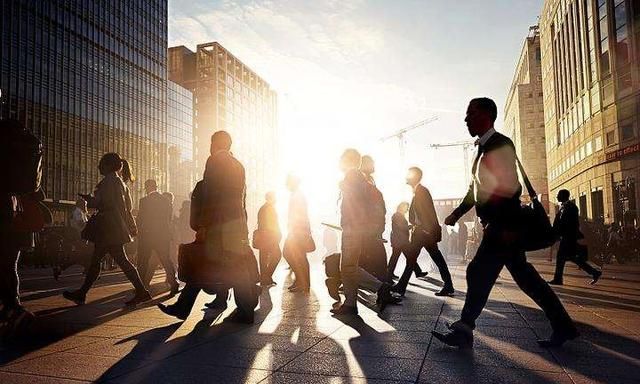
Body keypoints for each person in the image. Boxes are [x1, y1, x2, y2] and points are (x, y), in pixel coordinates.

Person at [433, 97, 577, 348]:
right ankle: (563, 326)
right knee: (525, 279)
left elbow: (510, 187)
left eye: (471, 114)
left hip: (502, 228)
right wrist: (457, 214)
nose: (466, 119)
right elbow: (474, 191)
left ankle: (465, 328)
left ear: (487, 115)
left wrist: (509, 227)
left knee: (478, 271)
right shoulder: (482, 150)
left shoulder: (500, 144)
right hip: (499, 227)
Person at [158, 131, 258, 323]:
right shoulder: (239, 165)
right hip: (236, 226)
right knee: (235, 268)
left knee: (204, 265)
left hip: (218, 226)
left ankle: (183, 307)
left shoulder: (214, 161)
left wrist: (203, 225)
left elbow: (211, 196)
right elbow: (241, 200)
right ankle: (244, 311)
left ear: (215, 144)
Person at [63, 153, 151, 306]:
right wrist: (130, 226)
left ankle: (141, 291)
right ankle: (82, 293)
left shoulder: (109, 181)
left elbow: (102, 202)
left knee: (107, 261)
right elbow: (127, 208)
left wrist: (89, 200)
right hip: (114, 227)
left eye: (101, 165)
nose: (99, 167)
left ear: (109, 166)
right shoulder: (121, 183)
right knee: (104, 260)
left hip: (107, 227)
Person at [330, 149, 400, 316]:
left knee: (348, 267)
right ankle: (350, 303)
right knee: (350, 267)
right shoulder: (360, 179)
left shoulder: (352, 177)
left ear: (348, 161)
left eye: (342, 159)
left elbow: (354, 206)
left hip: (352, 229)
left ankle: (376, 289)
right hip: (357, 228)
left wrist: (351, 224)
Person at [0, 119, 43, 330]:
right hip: (12, 206)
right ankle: (12, 305)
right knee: (9, 262)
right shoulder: (22, 138)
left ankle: (13, 308)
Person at [392, 167, 454, 297]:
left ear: (414, 177)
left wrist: (426, 230)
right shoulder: (418, 191)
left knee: (418, 259)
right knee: (424, 258)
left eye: (409, 175)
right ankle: (448, 285)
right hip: (422, 232)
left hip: (423, 233)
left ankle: (402, 286)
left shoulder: (421, 192)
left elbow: (428, 212)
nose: (406, 177)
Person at [548, 190, 602, 286]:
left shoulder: (571, 207)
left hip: (569, 238)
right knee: (571, 258)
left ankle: (558, 279)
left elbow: (572, 224)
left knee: (562, 257)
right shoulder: (562, 208)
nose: (557, 197)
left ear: (564, 196)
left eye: (558, 195)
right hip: (566, 237)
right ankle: (594, 273)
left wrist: (563, 233)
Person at [136, 179, 179, 294]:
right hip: (163, 235)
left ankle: (140, 287)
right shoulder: (166, 200)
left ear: (147, 188)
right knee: (166, 260)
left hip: (148, 235)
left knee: (144, 261)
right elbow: (169, 218)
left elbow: (140, 219)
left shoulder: (144, 201)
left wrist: (140, 232)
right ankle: (174, 283)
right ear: (156, 187)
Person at [359, 155, 388, 280]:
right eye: (371, 163)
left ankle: (339, 280)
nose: (374, 166)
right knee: (378, 259)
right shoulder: (363, 181)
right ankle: (383, 289)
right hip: (369, 229)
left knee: (366, 260)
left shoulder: (369, 180)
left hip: (373, 228)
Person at [283, 175, 312, 293]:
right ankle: (302, 281)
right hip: (297, 229)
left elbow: (300, 214)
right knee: (299, 256)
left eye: (288, 182)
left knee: (289, 253)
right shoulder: (296, 194)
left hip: (298, 230)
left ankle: (302, 282)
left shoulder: (298, 195)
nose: (286, 185)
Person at [256, 191, 282, 287]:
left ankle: (265, 279)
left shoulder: (264, 208)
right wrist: (277, 234)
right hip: (269, 237)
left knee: (264, 258)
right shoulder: (268, 208)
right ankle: (266, 277)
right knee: (277, 255)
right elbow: (272, 224)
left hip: (265, 237)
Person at [387, 202, 410, 281]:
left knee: (395, 257)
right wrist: (410, 226)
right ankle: (388, 274)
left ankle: (389, 273)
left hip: (399, 240)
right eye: (406, 207)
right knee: (409, 257)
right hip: (399, 241)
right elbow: (401, 227)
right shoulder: (397, 215)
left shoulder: (398, 215)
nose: (407, 209)